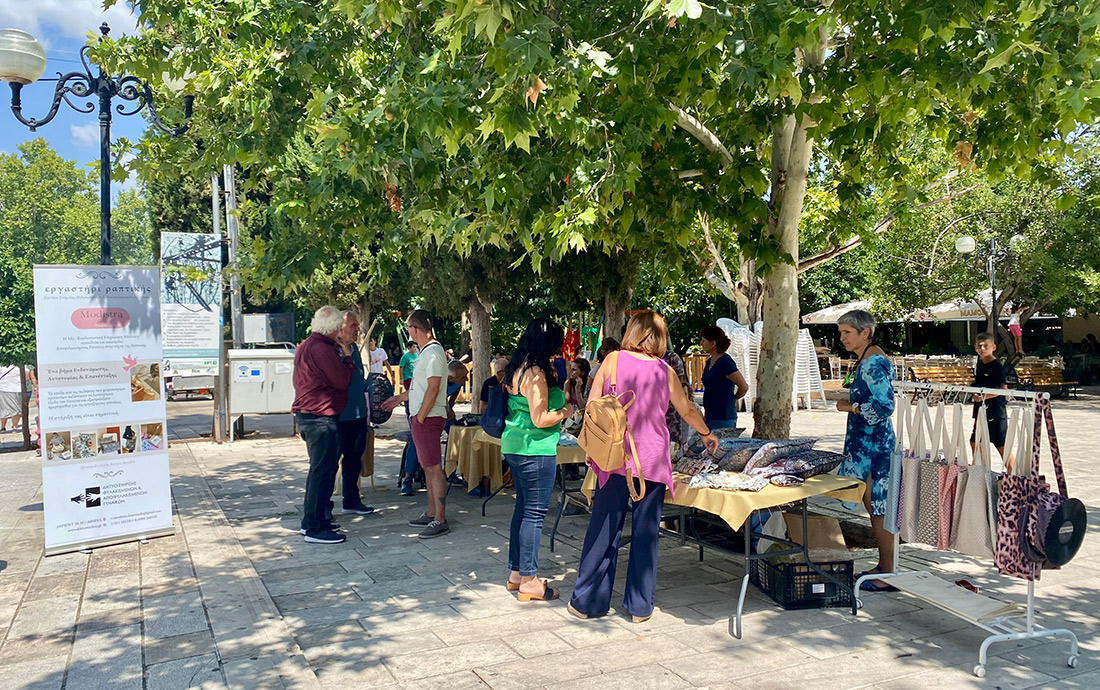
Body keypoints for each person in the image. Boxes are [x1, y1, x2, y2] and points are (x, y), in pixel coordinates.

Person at [568, 310, 720, 623]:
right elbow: (687, 409)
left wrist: (591, 447)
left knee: (603, 527)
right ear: (660, 338)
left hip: (613, 455)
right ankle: (639, 606)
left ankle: (588, 601)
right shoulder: (665, 371)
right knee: (645, 531)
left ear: (632, 333)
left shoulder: (612, 361)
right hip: (650, 456)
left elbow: (593, 406)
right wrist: (706, 433)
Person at [499, 319, 577, 601]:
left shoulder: (517, 367)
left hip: (516, 445)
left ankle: (517, 573)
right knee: (534, 514)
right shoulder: (535, 373)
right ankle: (530, 580)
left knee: (522, 510)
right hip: (535, 449)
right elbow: (540, 417)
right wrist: (566, 411)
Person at [834, 310, 897, 591]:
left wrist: (850, 406)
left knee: (878, 507)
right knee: (874, 507)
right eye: (841, 332)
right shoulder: (868, 359)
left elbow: (885, 407)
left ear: (865, 332)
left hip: (874, 446)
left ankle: (888, 570)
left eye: (847, 332)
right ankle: (886, 567)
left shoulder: (872, 363)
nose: (842, 338)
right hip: (868, 444)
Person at [382, 310, 451, 539]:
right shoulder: (425, 352)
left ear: (414, 329)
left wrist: (420, 416)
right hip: (424, 416)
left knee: (433, 467)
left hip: (428, 418)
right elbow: (420, 387)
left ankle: (439, 517)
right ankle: (432, 511)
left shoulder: (432, 353)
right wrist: (399, 399)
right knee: (428, 466)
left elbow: (433, 387)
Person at [292, 306, 356, 545]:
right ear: (333, 328)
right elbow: (342, 380)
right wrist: (347, 357)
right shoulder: (322, 349)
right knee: (322, 472)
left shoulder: (306, 345)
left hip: (310, 415)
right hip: (320, 417)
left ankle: (314, 521)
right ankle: (314, 526)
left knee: (321, 471)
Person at [334, 311, 376, 518]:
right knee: (332, 462)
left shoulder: (354, 351)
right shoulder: (332, 350)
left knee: (354, 459)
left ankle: (351, 499)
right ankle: (323, 507)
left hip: (358, 413)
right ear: (339, 328)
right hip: (339, 416)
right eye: (353, 325)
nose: (357, 329)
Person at [698, 325, 749, 430]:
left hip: (724, 417)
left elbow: (744, 387)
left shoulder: (725, 362)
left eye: (703, 340)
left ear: (713, 343)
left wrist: (733, 399)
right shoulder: (709, 362)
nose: (701, 343)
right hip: (710, 415)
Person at [970, 332, 1008, 458]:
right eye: (979, 346)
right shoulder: (980, 363)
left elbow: (1003, 388)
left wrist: (983, 397)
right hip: (981, 409)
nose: (982, 349)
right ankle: (981, 471)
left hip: (995, 410)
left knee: (1001, 446)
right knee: (975, 442)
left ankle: (1013, 474)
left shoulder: (996, 365)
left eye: (986, 346)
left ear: (993, 347)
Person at [0, 364, 24, 433]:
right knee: (16, 409)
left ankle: (2, 427)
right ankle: (15, 426)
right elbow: (27, 376)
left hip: (3, 388)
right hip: (17, 388)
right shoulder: (21, 364)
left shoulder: (2, 365)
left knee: (3, 409)